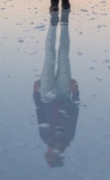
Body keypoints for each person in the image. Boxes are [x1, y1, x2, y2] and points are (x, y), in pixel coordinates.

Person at [33, 11, 79, 168]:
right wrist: (76, 93)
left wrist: (35, 93)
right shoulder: (68, 137)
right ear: (58, 156)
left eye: (47, 156)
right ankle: (64, 21)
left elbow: (39, 112)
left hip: (46, 94)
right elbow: (75, 115)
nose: (47, 153)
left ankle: (54, 20)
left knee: (49, 53)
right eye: (49, 157)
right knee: (64, 53)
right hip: (65, 94)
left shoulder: (44, 136)